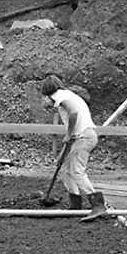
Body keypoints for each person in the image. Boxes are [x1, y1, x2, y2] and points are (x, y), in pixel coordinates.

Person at [40, 75, 107, 222]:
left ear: (48, 92)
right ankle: (75, 205)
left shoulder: (61, 96)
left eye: (44, 97)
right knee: (65, 170)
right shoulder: (67, 96)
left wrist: (68, 134)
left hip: (84, 137)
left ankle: (98, 206)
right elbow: (71, 137)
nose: (43, 101)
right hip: (80, 138)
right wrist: (62, 155)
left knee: (77, 171)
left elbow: (74, 114)